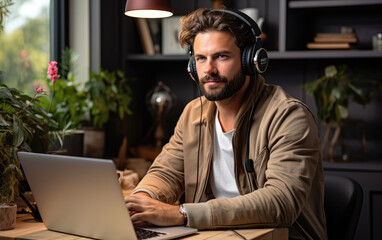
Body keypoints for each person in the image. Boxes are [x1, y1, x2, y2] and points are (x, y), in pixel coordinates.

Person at [125, 7, 327, 240]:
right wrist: (141, 201)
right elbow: (166, 172)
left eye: (221, 56)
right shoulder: (193, 113)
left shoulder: (288, 116)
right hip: (213, 234)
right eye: (201, 58)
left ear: (249, 60)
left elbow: (281, 202)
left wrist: (182, 213)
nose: (209, 69)